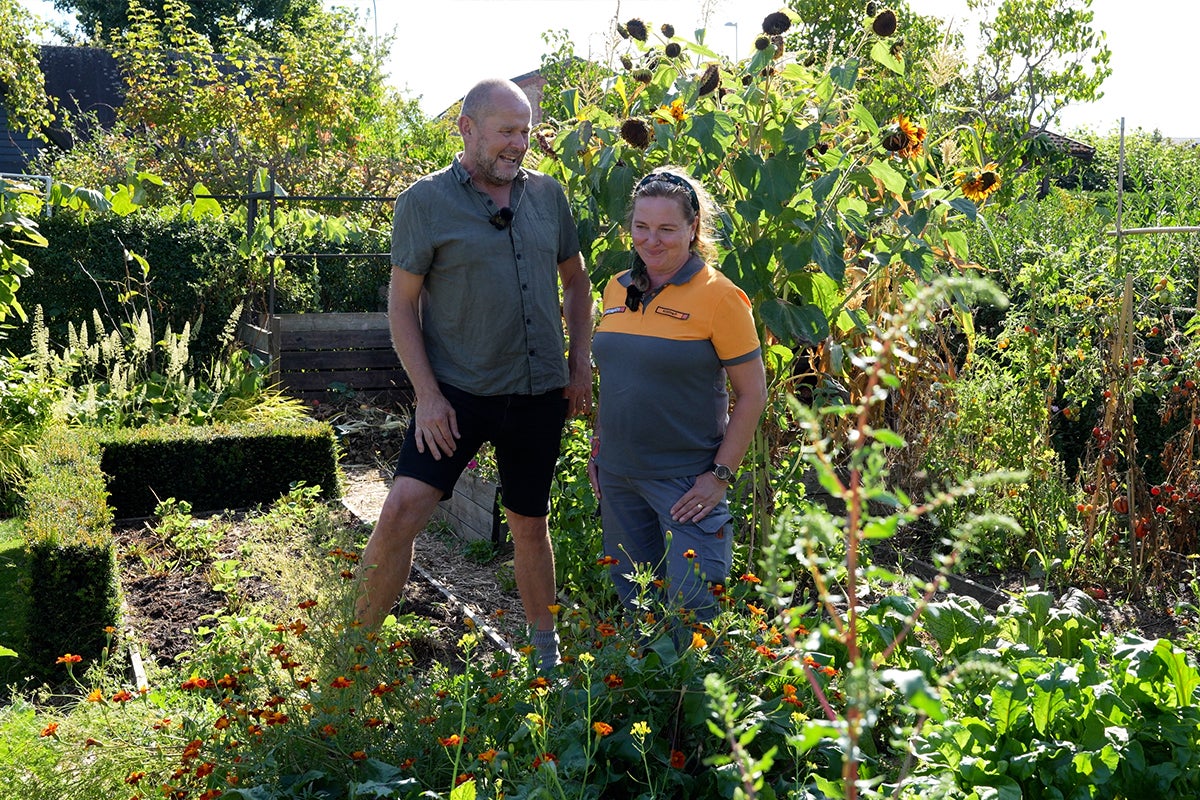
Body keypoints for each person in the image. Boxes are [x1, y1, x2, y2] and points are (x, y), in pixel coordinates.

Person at [355, 78, 593, 671]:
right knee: (402, 509)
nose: (519, 143)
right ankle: (351, 652)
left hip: (538, 391)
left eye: (525, 131)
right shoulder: (424, 203)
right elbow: (401, 306)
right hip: (457, 394)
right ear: (467, 129)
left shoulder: (547, 197)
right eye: (506, 131)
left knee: (529, 523)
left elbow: (577, 280)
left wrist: (580, 358)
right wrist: (428, 396)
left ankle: (545, 661)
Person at [588, 166, 767, 622]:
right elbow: (616, 374)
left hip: (685, 485)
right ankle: (649, 694)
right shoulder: (617, 288)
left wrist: (719, 475)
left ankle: (698, 696)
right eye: (641, 227)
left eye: (667, 229)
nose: (652, 240)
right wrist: (599, 446)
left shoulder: (720, 297)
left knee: (695, 613)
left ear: (692, 229)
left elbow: (752, 395)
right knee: (638, 608)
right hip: (618, 478)